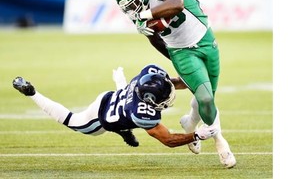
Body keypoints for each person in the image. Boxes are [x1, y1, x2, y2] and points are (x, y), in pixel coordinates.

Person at [114, 0, 236, 168]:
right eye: (129, 8)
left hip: (204, 38)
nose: (134, 10)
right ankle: (220, 141)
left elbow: (176, 3)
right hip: (181, 51)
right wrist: (176, 58)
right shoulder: (136, 15)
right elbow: (154, 39)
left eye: (135, 3)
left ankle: (190, 123)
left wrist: (146, 14)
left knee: (207, 99)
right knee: (205, 98)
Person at [12, 64, 217, 148]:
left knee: (125, 110)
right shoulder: (142, 113)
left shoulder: (147, 76)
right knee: (71, 121)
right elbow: (169, 140)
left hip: (114, 97)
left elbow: (169, 83)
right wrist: (197, 135)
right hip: (101, 118)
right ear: (148, 101)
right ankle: (33, 93)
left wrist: (199, 83)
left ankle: (125, 131)